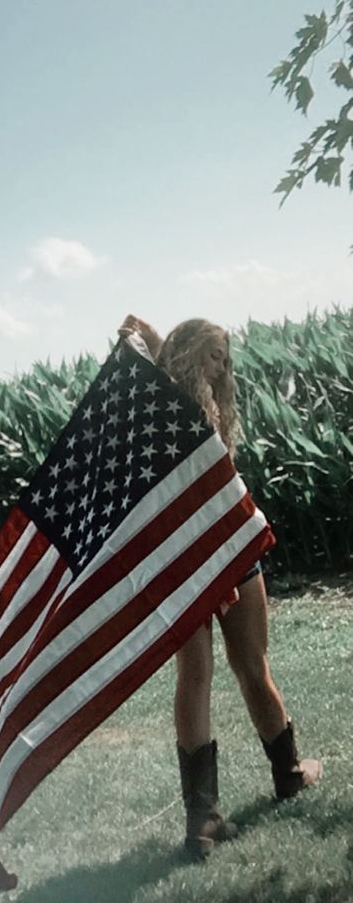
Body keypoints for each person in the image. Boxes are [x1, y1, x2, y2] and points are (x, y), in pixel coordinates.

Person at [117, 314, 323, 859]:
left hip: (199, 561)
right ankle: (247, 795)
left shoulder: (173, 414)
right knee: (215, 674)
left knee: (237, 670)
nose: (223, 367)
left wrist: (160, 344)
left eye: (226, 359)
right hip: (217, 558)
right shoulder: (174, 413)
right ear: (189, 357)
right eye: (213, 356)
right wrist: (157, 343)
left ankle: (233, 803)